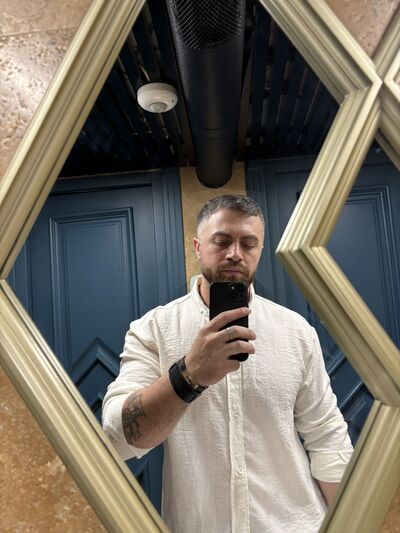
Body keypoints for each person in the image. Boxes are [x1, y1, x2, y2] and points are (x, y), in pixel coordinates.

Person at [102, 195, 353, 533]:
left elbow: (327, 439)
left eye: (248, 244)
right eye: (222, 241)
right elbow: (118, 439)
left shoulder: (296, 332)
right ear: (197, 247)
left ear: (260, 250)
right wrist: (189, 374)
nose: (235, 253)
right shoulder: (153, 330)